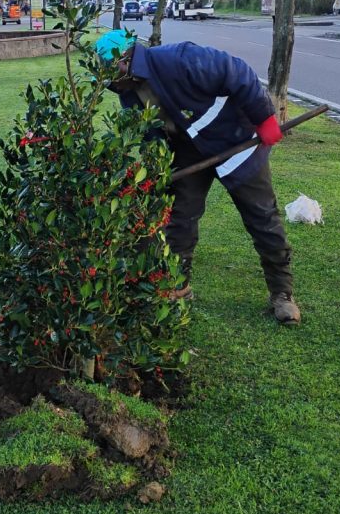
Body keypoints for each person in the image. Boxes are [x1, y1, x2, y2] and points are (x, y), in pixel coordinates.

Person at [97, 34, 301, 325]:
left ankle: (282, 294)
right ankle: (178, 287)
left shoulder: (179, 59)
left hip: (235, 141)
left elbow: (237, 71)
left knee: (262, 217)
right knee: (180, 218)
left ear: (125, 61)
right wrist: (157, 167)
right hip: (189, 152)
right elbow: (149, 133)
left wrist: (264, 118)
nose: (109, 82)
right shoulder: (127, 93)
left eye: (110, 72)